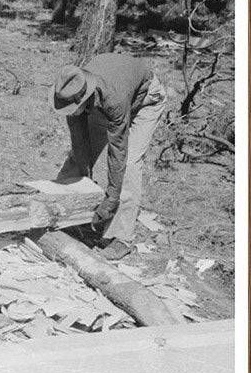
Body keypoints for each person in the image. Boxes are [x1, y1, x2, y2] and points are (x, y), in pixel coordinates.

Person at [51, 52, 168, 260]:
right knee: (76, 158)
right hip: (105, 98)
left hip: (146, 100)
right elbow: (80, 143)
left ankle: (120, 236)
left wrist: (109, 202)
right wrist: (84, 182)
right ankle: (58, 211)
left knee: (130, 163)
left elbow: (118, 153)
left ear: (83, 97)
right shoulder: (70, 90)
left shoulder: (113, 99)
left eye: (73, 107)